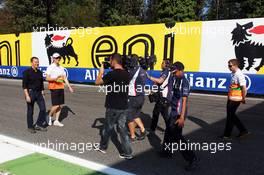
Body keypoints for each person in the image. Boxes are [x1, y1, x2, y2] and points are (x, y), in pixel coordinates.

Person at [161, 61, 199, 171]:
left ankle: (192, 158)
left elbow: (184, 100)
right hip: (172, 111)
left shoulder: (184, 82)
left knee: (177, 137)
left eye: (175, 72)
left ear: (181, 70)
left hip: (178, 113)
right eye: (172, 72)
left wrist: (182, 117)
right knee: (168, 131)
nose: (173, 73)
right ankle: (167, 152)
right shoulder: (175, 78)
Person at [95, 53, 133, 160]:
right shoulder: (127, 74)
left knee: (108, 128)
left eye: (110, 60)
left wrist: (100, 73)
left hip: (112, 106)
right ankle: (128, 153)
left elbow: (97, 82)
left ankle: (103, 147)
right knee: (123, 130)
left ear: (113, 60)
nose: (109, 62)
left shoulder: (112, 74)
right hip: (124, 106)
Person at [220, 59, 250, 140]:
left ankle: (227, 135)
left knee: (230, 116)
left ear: (235, 65)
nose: (228, 67)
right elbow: (233, 87)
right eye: (228, 65)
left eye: (230, 66)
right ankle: (243, 130)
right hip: (231, 97)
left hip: (236, 99)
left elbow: (244, 88)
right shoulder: (233, 73)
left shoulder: (239, 74)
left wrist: (243, 98)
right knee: (231, 115)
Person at [46, 53, 74, 127]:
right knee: (56, 105)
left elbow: (64, 78)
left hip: (61, 87)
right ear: (53, 59)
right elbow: (47, 78)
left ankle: (56, 121)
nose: (58, 59)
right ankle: (49, 116)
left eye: (59, 58)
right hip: (53, 87)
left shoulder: (61, 68)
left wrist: (69, 86)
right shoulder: (50, 67)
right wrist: (55, 79)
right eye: (57, 58)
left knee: (60, 105)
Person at [22, 57, 47, 133]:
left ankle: (38, 125)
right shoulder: (26, 72)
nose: (37, 63)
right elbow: (24, 86)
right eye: (35, 62)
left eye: (38, 62)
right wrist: (27, 96)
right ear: (31, 62)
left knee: (43, 109)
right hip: (31, 93)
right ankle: (30, 127)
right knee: (30, 111)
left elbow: (41, 84)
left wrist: (43, 93)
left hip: (39, 93)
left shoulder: (39, 72)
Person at [127, 54, 147, 142]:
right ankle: (143, 130)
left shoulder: (133, 71)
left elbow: (125, 79)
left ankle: (132, 136)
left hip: (133, 97)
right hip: (141, 96)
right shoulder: (142, 70)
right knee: (136, 115)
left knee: (129, 116)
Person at [147, 59, 172, 133]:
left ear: (166, 64)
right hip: (162, 96)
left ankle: (153, 129)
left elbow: (160, 81)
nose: (161, 64)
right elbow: (160, 83)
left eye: (163, 63)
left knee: (159, 113)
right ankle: (168, 129)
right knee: (162, 113)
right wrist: (153, 88)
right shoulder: (165, 72)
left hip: (164, 97)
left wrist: (149, 77)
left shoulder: (166, 71)